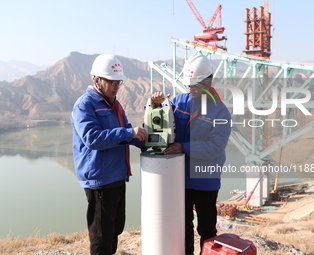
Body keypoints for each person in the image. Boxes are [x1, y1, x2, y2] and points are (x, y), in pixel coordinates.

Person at [151, 54, 231, 255]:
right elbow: (162, 123)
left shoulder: (220, 112)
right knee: (182, 228)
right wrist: (155, 106)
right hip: (180, 180)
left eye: (195, 85)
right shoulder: (179, 102)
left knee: (206, 229)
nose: (190, 89)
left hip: (205, 180)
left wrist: (183, 147)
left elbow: (215, 147)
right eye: (188, 85)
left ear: (208, 81)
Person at [70, 54, 146, 255]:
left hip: (118, 176)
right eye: (111, 82)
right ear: (96, 80)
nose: (116, 86)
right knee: (101, 237)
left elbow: (126, 132)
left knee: (114, 231)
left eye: (118, 82)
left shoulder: (114, 104)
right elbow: (92, 138)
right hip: (100, 179)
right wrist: (129, 133)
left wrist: (146, 142)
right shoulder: (85, 105)